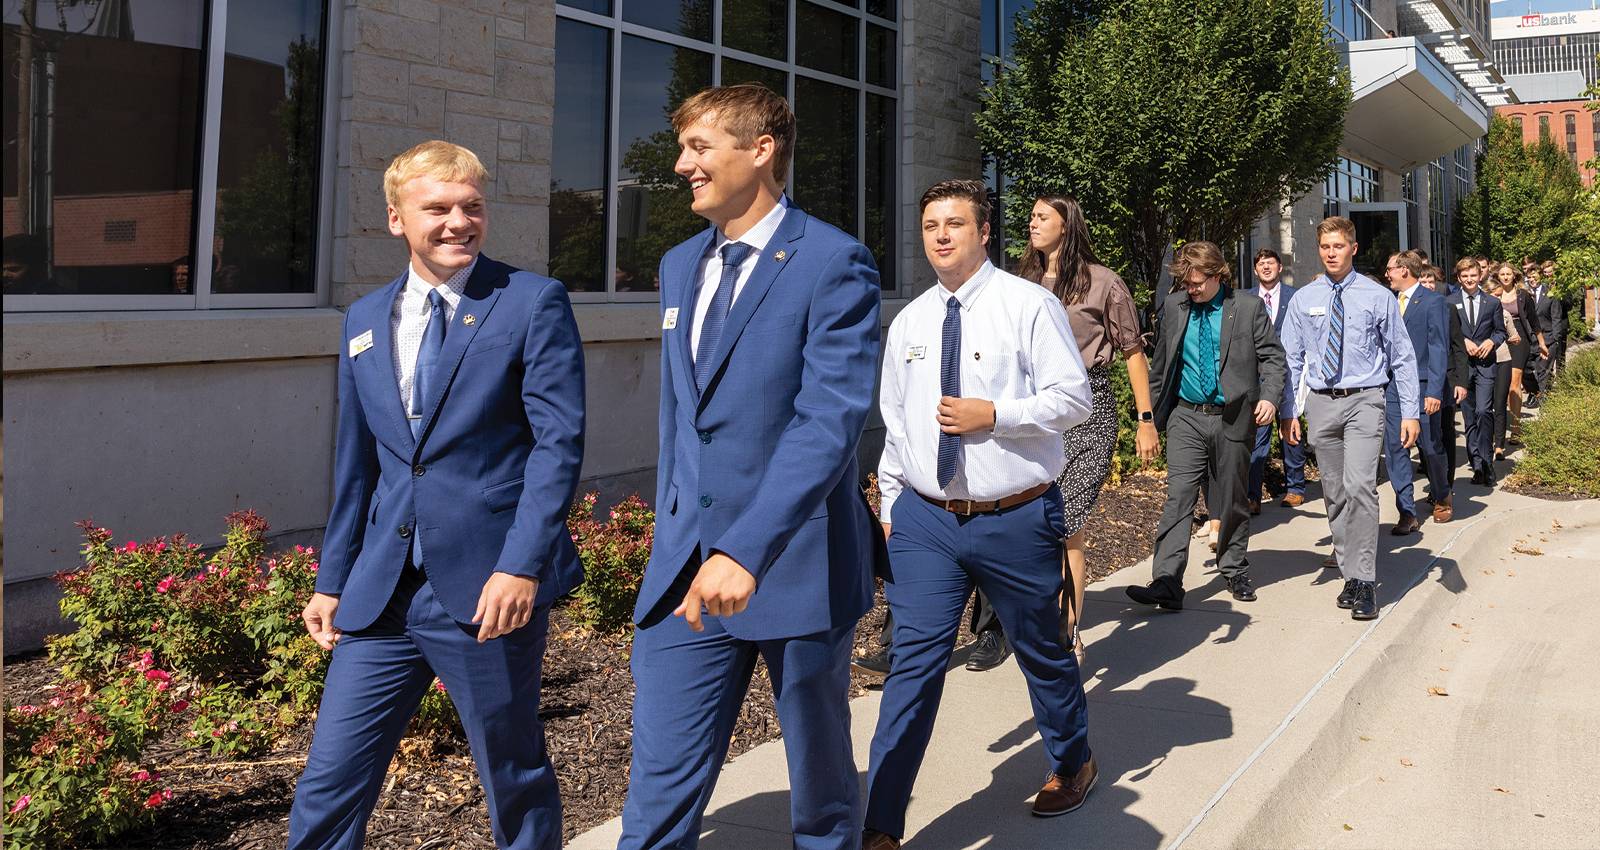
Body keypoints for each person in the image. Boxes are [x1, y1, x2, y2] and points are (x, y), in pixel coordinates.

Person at [288, 141, 586, 850]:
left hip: (486, 586)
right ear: (397, 220)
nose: (458, 221)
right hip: (382, 592)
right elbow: (356, 465)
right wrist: (332, 578)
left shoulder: (531, 302)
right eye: (438, 208)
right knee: (330, 778)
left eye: (472, 207)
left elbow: (557, 447)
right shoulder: (361, 320)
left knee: (510, 771)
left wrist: (520, 566)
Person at [619, 84, 882, 850]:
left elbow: (828, 420)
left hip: (795, 565)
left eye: (698, 148)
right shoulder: (676, 265)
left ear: (760, 149)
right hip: (684, 572)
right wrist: (680, 535)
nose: (680, 166)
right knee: (660, 779)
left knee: (821, 785)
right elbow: (683, 420)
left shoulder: (835, 262)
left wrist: (746, 546)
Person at [864, 179, 1095, 850]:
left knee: (1043, 652)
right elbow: (894, 421)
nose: (940, 235)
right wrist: (891, 499)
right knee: (912, 665)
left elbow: (1072, 399)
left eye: (955, 224)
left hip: (1016, 516)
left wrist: (995, 415)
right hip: (925, 523)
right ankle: (881, 822)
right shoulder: (909, 322)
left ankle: (1073, 759)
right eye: (931, 223)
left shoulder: (1029, 306)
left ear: (983, 232)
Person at [955, 194, 1156, 670]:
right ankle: (1005, 628)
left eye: (1042, 217)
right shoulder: (1017, 282)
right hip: (1028, 414)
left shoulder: (1104, 283)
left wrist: (1145, 421)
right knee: (1020, 525)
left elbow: (1132, 352)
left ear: (1067, 225)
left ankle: (1066, 634)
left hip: (1088, 412)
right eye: (1030, 217)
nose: (1032, 223)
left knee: (1068, 528)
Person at [1127, 241, 1284, 610]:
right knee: (1178, 495)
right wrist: (1146, 417)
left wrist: (1270, 397)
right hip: (1186, 415)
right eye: (1187, 284)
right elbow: (1161, 366)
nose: (1192, 290)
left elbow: (1273, 358)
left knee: (1230, 497)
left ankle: (1233, 566)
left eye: (1197, 283)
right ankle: (1166, 580)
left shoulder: (1246, 308)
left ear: (1217, 275)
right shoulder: (1175, 307)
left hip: (1232, 414)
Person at [1279, 217, 1420, 621]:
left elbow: (1402, 356)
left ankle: (1363, 580)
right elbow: (1290, 358)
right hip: (1322, 403)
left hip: (1365, 400)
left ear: (1353, 249)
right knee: (1335, 493)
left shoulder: (1377, 297)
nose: (1331, 253)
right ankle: (1348, 571)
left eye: (1338, 246)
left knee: (1361, 485)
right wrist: (1289, 408)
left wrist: (1409, 410)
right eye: (1325, 246)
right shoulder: (1304, 300)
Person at [1381, 251, 1451, 530]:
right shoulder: (1386, 301)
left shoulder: (1433, 301)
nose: (1386, 274)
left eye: (1390, 269)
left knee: (1430, 446)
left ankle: (1442, 494)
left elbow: (1438, 347)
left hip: (1423, 387)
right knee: (1396, 447)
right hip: (1393, 387)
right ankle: (1407, 511)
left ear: (1404, 270)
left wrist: (1435, 390)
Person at [1243, 248, 1308, 509]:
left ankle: (1295, 487)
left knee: (1289, 427)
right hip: (1256, 375)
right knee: (1257, 432)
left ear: (1280, 268)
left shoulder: (1295, 297)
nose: (1266, 267)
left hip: (1289, 372)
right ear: (1256, 270)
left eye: (1270, 263)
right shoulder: (1245, 298)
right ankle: (1252, 495)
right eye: (1261, 264)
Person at [1450, 257, 1507, 488]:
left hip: (1485, 365)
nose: (1469, 280)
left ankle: (1487, 461)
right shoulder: (1450, 302)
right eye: (1465, 276)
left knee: (1484, 411)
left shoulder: (1491, 303)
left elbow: (1500, 331)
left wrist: (1491, 342)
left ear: (1480, 275)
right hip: (1463, 367)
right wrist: (1463, 341)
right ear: (1459, 278)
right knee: (1469, 416)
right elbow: (1448, 332)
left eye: (1473, 275)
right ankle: (1477, 464)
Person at [1490, 263, 1539, 452]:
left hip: (1519, 336)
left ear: (1514, 275)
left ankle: (1516, 426)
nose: (1505, 277)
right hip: (1498, 334)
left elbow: (1533, 320)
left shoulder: (1522, 295)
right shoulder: (1492, 292)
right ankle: (1499, 424)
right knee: (1499, 382)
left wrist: (1541, 342)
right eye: (1502, 274)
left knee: (1514, 381)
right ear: (1497, 276)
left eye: (1508, 274)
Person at [1531, 261, 1565, 398]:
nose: (1532, 280)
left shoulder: (1550, 293)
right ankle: (1537, 395)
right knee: (1532, 371)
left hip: (1548, 338)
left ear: (1540, 276)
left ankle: (1542, 402)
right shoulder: (1524, 294)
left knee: (1543, 370)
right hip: (1530, 339)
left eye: (1534, 277)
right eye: (1529, 277)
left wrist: (1556, 340)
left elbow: (1556, 317)